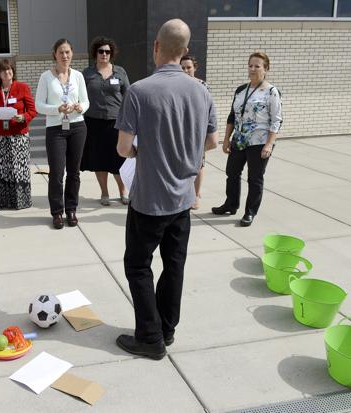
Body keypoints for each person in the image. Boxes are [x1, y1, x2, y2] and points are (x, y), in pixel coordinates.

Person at [115, 19, 218, 359]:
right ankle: (167, 330)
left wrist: (141, 150)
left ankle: (150, 337)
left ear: (156, 47)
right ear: (185, 51)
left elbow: (122, 148)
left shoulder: (139, 91)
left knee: (138, 265)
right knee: (174, 264)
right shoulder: (201, 91)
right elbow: (212, 142)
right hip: (183, 198)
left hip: (149, 199)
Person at [211, 51, 282, 227]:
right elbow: (232, 116)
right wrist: (227, 139)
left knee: (255, 178)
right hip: (239, 140)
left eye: (257, 66)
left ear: (266, 69)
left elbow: (276, 120)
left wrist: (269, 144)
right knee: (232, 173)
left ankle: (250, 212)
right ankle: (231, 204)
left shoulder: (272, 92)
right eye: (250, 65)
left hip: (259, 142)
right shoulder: (241, 90)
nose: (252, 69)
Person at [36, 38, 90, 229]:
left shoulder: (78, 76)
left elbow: (86, 101)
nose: (65, 56)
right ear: (55, 54)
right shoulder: (46, 77)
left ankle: (72, 210)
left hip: (77, 127)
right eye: (61, 52)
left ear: (72, 53)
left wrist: (79, 107)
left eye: (67, 52)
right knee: (57, 173)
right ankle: (57, 212)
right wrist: (57, 109)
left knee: (74, 172)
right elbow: (39, 105)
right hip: (55, 130)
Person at [0, 59, 37, 212]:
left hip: (18, 136)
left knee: (19, 169)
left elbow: (33, 110)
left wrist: (23, 117)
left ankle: (20, 201)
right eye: (4, 70)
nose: (7, 72)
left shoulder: (22, 87)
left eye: (10, 69)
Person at [81, 36, 130, 206]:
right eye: (101, 51)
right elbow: (80, 97)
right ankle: (104, 192)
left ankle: (123, 191)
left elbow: (128, 96)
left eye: (107, 51)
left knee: (119, 158)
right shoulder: (87, 74)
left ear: (112, 53)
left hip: (116, 122)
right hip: (93, 123)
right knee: (99, 159)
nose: (104, 54)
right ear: (95, 53)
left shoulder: (120, 72)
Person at [180, 54, 209, 210]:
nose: (185, 70)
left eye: (188, 67)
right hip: (180, 132)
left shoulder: (202, 86)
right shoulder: (176, 86)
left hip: (197, 132)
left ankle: (196, 195)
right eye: (182, 68)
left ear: (195, 68)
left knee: (198, 164)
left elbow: (207, 113)